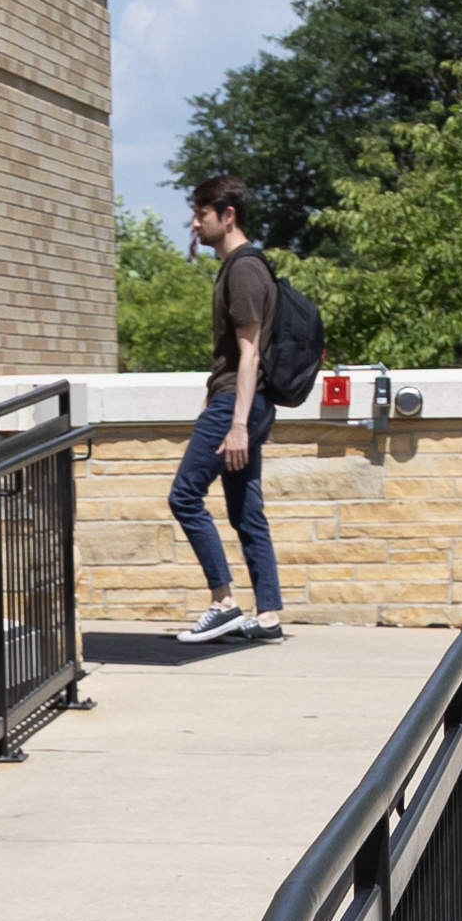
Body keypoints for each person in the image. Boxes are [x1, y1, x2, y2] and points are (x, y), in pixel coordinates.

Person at [170, 174, 288, 646]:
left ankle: (223, 602)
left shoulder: (243, 270)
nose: (195, 224)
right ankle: (269, 615)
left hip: (239, 404)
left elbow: (249, 351)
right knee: (245, 509)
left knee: (184, 496)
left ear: (228, 215)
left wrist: (236, 422)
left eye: (202, 214)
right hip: (238, 402)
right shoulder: (240, 267)